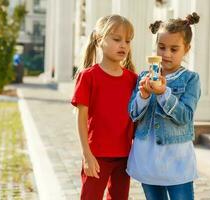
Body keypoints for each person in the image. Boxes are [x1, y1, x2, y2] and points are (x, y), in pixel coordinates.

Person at [127, 12, 201, 200]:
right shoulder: (144, 76)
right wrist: (143, 95)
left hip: (176, 160)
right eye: (161, 47)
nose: (166, 54)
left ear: (187, 49)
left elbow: (185, 116)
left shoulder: (191, 79)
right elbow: (133, 114)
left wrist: (163, 94)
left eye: (174, 49)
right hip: (148, 159)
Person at [71, 14, 137, 200]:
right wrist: (87, 154)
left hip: (125, 155)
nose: (123, 45)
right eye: (117, 39)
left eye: (128, 41)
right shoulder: (88, 77)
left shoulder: (133, 79)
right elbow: (81, 117)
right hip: (96, 155)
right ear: (99, 40)